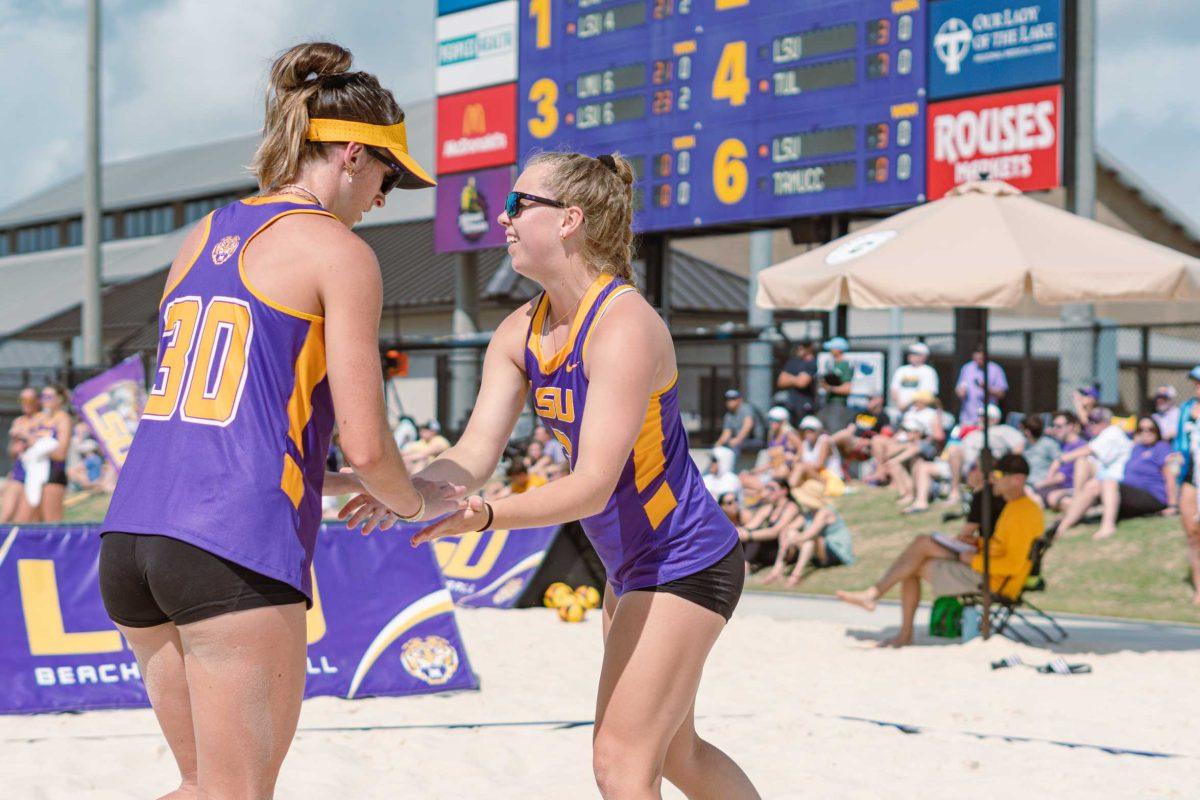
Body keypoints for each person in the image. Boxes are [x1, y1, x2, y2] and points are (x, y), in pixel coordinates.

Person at [96, 43, 458, 800]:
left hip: (132, 535)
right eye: (389, 174)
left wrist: (345, 482)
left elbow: (223, 419)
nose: (387, 195)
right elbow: (366, 434)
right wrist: (418, 501)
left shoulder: (204, 234)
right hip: (229, 542)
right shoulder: (338, 250)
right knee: (237, 793)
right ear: (354, 155)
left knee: (203, 787)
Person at [355, 150, 758, 797]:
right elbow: (475, 454)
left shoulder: (624, 325)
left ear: (570, 219)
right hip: (632, 569)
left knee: (619, 765)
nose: (503, 220)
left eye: (518, 205)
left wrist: (482, 516)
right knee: (676, 755)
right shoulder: (520, 329)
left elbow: (593, 484)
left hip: (685, 560)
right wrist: (393, 486)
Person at [837, 455, 1042, 648]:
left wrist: (973, 559)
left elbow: (1013, 565)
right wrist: (978, 544)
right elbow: (1002, 547)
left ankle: (881, 605)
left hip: (995, 581)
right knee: (917, 555)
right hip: (988, 570)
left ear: (1017, 480)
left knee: (918, 552)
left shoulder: (1023, 513)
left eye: (997, 476)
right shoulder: (1016, 507)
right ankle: (891, 618)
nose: (992, 481)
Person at [1056, 416, 1174, 540]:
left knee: (1109, 481)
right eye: (1141, 429)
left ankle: (1108, 526)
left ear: (1157, 431)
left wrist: (1172, 506)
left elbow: (1170, 476)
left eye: (1151, 429)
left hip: (1153, 496)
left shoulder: (1162, 447)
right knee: (1094, 483)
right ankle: (1064, 525)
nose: (1146, 432)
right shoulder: (1135, 448)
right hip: (1130, 495)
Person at [16, 384, 73, 523]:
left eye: (48, 397)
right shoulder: (39, 418)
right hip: (33, 474)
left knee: (51, 523)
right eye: (42, 397)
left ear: (59, 399)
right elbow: (19, 438)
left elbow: (61, 454)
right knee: (24, 521)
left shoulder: (63, 418)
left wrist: (35, 442)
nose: (44, 400)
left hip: (53, 475)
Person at [1173, 367, 1200, 604]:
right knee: (1192, 533)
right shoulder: (1187, 409)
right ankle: (1199, 589)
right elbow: (1180, 442)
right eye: (1196, 382)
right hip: (1191, 477)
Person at [1034, 411, 1087, 510]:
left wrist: (1043, 483)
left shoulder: (1079, 446)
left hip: (1072, 489)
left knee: (1052, 498)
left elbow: (1062, 477)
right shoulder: (1062, 445)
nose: (1055, 429)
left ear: (1070, 426)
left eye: (1058, 426)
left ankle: (1082, 508)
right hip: (1058, 487)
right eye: (1053, 426)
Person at [1, 387, 39, 523]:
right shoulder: (18, 421)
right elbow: (11, 451)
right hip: (19, 472)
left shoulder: (42, 420)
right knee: (5, 514)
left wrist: (25, 435)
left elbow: (47, 445)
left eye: (29, 400)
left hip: (36, 474)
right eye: (22, 399)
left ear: (37, 401)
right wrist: (15, 448)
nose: (25, 403)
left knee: (22, 520)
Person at [955, 344, 1007, 426]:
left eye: (981, 359)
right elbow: (959, 388)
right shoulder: (967, 368)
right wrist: (961, 392)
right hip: (968, 418)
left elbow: (1001, 394)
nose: (978, 362)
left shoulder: (996, 370)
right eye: (976, 359)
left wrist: (986, 388)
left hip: (987, 419)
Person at [714, 388, 765, 460]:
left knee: (735, 446)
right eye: (728, 399)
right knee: (723, 448)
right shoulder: (729, 415)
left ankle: (733, 470)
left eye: (733, 399)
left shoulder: (746, 408)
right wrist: (718, 444)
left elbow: (748, 425)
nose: (729, 401)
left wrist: (737, 440)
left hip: (755, 441)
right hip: (742, 443)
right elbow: (726, 433)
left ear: (739, 399)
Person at [890, 342, 939, 412]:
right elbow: (894, 390)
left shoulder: (928, 371)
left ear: (924, 356)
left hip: (920, 412)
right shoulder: (901, 370)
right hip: (899, 409)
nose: (911, 356)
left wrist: (906, 405)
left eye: (915, 353)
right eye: (910, 353)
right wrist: (900, 406)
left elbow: (928, 394)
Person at [777, 339, 818, 421]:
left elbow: (802, 383)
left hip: (806, 404)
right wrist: (797, 378)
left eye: (804, 346)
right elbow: (781, 382)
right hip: (791, 404)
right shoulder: (793, 362)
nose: (801, 348)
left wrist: (790, 378)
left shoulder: (813, 363)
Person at [1020, 416, 1061, 489]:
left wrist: (1048, 480)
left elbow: (1058, 461)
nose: (1020, 431)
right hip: (1027, 483)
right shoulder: (1025, 445)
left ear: (1028, 431)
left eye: (1022, 429)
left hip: (1041, 483)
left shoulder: (1049, 444)